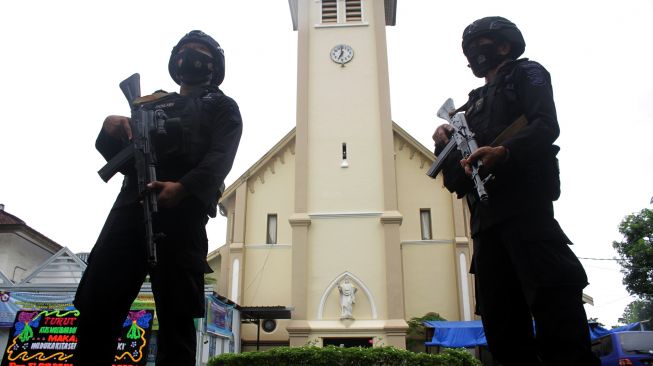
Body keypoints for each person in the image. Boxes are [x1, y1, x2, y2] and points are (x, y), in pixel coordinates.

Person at [432, 17, 600, 366]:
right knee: (501, 324)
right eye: (469, 49)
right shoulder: (470, 106)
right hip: (485, 227)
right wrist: (444, 144)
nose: (475, 54)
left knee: (557, 309)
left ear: (505, 46)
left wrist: (505, 153)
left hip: (526, 213)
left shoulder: (526, 74)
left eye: (482, 44)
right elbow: (457, 180)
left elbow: (545, 125)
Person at [73, 30, 242, 366]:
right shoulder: (148, 102)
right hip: (130, 212)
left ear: (214, 66)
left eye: (199, 52)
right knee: (97, 308)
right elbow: (119, 158)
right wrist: (110, 128)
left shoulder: (222, 106)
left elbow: (220, 158)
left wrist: (183, 189)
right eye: (184, 50)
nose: (190, 56)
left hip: (183, 220)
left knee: (178, 320)